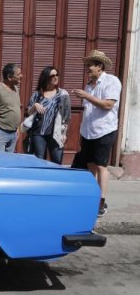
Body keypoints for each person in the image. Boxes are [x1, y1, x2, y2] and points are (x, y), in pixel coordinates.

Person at [72, 50, 122, 217]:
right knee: (90, 165)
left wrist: (86, 96)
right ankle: (90, 197)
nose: (88, 69)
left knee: (101, 166)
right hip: (88, 131)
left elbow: (108, 105)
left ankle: (101, 202)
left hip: (104, 130)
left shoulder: (112, 81)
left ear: (99, 66)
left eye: (90, 65)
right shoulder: (89, 85)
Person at [25, 66, 71, 164]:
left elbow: (67, 115)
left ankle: (55, 179)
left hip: (56, 132)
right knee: (39, 160)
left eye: (57, 75)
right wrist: (35, 106)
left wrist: (64, 133)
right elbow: (28, 112)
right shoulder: (37, 94)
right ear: (46, 77)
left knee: (56, 160)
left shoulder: (63, 94)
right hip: (38, 133)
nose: (56, 77)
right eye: (52, 75)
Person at [0, 63, 23, 152]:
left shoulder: (16, 89)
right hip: (0, 133)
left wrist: (17, 128)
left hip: (13, 133)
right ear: (9, 77)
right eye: (18, 74)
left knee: (8, 162)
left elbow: (15, 108)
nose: (21, 76)